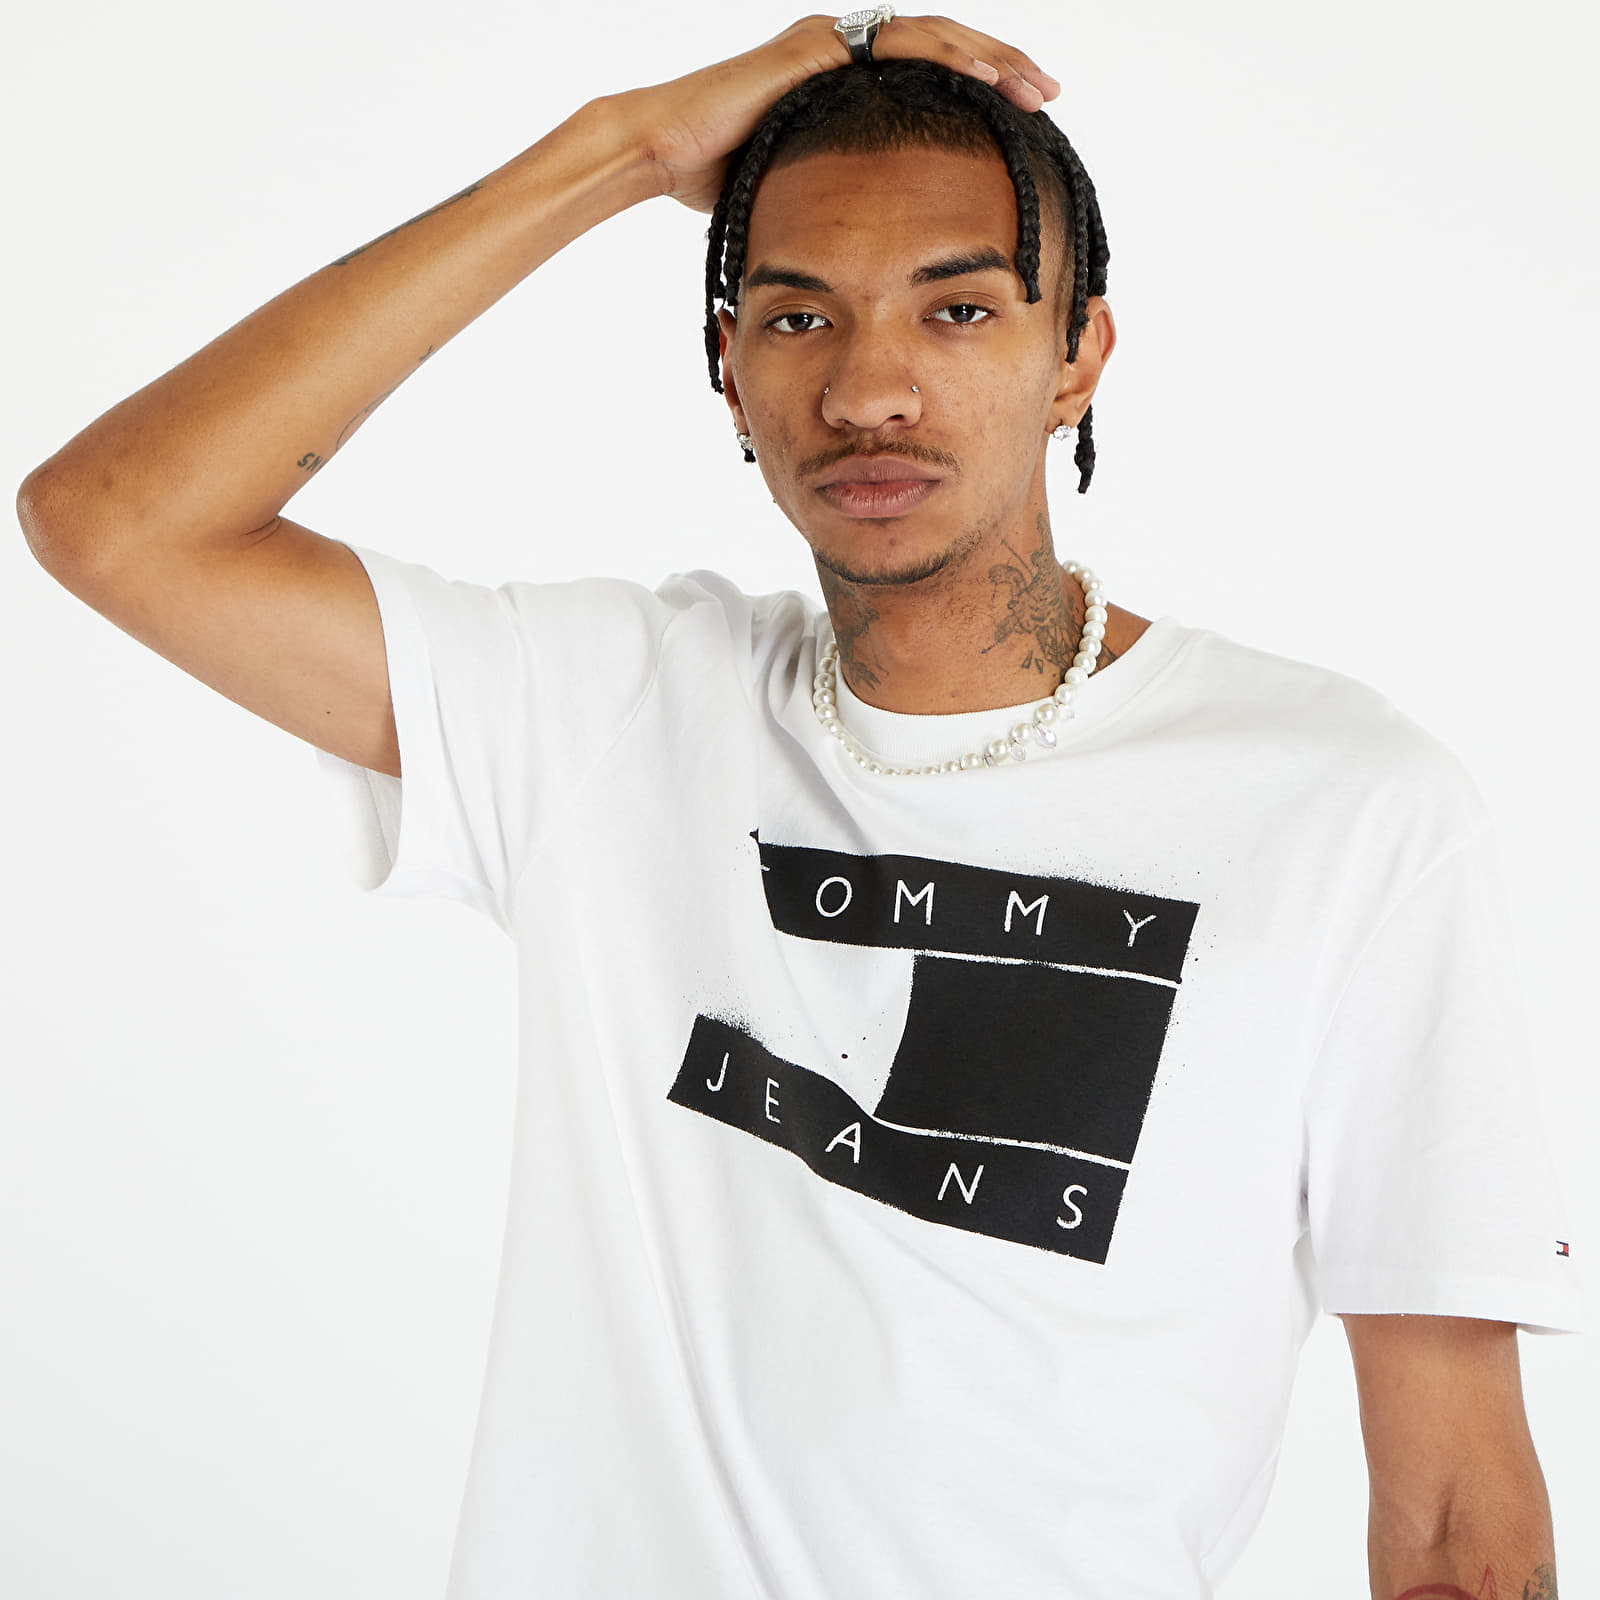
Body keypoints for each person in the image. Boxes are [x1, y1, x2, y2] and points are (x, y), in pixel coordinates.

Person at [15, 11, 1579, 1598]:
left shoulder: (1344, 810)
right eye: (797, 317)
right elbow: (116, 521)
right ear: (728, 369)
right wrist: (621, 150)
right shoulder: (607, 714)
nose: (869, 390)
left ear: (1077, 355)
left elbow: (1456, 1511)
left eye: (957, 310)